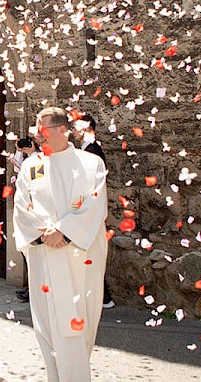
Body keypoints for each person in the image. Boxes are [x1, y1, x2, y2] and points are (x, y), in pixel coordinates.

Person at [13, 107, 108, 382]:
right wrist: (44, 234)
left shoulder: (91, 164)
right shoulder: (32, 166)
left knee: (81, 322)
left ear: (62, 130)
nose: (37, 135)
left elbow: (94, 204)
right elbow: (21, 204)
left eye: (42, 129)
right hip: (45, 255)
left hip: (80, 256)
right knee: (48, 324)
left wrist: (64, 232)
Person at [74, 114, 113, 309]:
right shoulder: (84, 150)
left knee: (92, 254)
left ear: (86, 129)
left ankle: (104, 297)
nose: (73, 131)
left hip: (89, 210)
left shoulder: (93, 152)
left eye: (77, 127)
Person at [9, 137, 39, 302]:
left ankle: (33, 287)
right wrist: (18, 153)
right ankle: (30, 286)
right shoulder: (26, 158)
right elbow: (16, 170)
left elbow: (34, 180)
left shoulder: (38, 158)